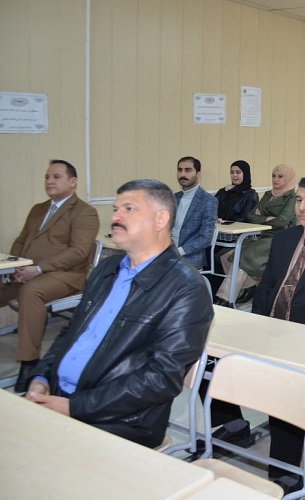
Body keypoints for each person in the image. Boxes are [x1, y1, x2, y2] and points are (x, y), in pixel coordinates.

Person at [209, 176, 305, 494]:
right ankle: (233, 423)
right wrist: (258, 330)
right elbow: (266, 288)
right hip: (272, 329)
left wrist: (288, 334)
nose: (302, 207)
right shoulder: (285, 240)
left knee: (285, 383)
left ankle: (285, 470)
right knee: (210, 357)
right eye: (299, 200)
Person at [25, 179, 212, 448]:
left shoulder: (186, 288)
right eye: (115, 209)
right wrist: (41, 377)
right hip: (59, 396)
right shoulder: (106, 270)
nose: (115, 217)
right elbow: (71, 333)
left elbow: (161, 379)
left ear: (161, 219)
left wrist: (75, 407)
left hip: (120, 421)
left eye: (129, 209)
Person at [0, 160, 99, 392]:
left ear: (73, 182)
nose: (49, 181)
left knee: (31, 292)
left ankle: (30, 361)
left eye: (56, 177)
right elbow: (21, 240)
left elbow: (79, 252)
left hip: (65, 275)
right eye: (47, 177)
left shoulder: (85, 212)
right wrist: (17, 266)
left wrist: (38, 269)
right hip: (28, 271)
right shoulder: (38, 209)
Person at [214, 164, 297, 306]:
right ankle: (250, 286)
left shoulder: (292, 197)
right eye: (274, 176)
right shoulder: (268, 194)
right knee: (224, 255)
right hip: (259, 234)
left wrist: (263, 217)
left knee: (241, 257)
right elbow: (250, 216)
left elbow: (283, 221)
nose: (276, 179)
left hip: (278, 238)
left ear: (288, 178)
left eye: (280, 176)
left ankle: (225, 298)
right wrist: (267, 219)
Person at [173, 156, 217, 269]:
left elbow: (206, 238)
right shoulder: (173, 198)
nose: (182, 174)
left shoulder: (208, 201)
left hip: (188, 257)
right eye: (180, 170)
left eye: (188, 170)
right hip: (166, 254)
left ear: (198, 174)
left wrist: (179, 252)